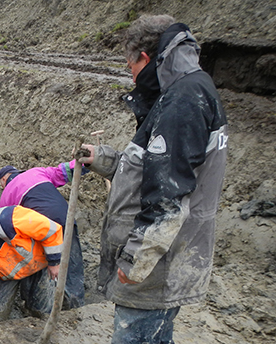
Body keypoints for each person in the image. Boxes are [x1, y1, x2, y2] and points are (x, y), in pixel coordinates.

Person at [80, 15, 228, 343]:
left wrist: (134, 261)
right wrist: (103, 159)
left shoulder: (182, 101)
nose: (131, 76)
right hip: (161, 262)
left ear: (145, 59)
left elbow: (168, 198)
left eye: (129, 66)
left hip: (157, 269)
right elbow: (156, 166)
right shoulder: (185, 90)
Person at [0, 160, 87, 310]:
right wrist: (85, 162)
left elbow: (7, 225)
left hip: (41, 226)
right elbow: (64, 171)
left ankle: (41, 307)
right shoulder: (37, 172)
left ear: (4, 180)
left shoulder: (7, 193)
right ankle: (75, 307)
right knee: (71, 263)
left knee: (41, 267)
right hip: (66, 217)